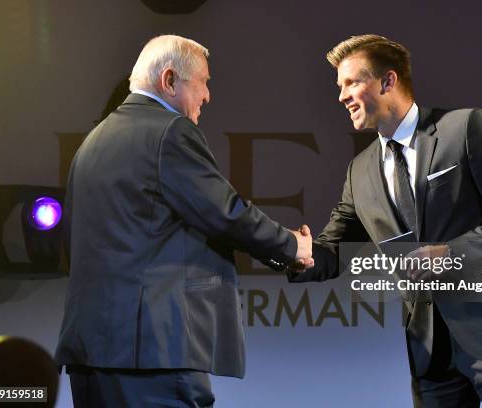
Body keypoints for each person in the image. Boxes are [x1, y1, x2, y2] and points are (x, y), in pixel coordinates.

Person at [289, 34, 482, 407]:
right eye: (339, 86)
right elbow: (333, 249)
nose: (341, 96)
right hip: (430, 351)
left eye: (351, 82)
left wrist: (451, 254)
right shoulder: (359, 172)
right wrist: (288, 249)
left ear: (388, 81)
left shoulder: (465, 127)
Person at [55, 35, 313, 407]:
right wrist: (292, 246)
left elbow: (73, 244)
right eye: (204, 81)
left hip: (90, 356)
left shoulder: (93, 141)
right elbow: (225, 212)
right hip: (151, 356)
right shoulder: (169, 132)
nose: (207, 95)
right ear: (170, 80)